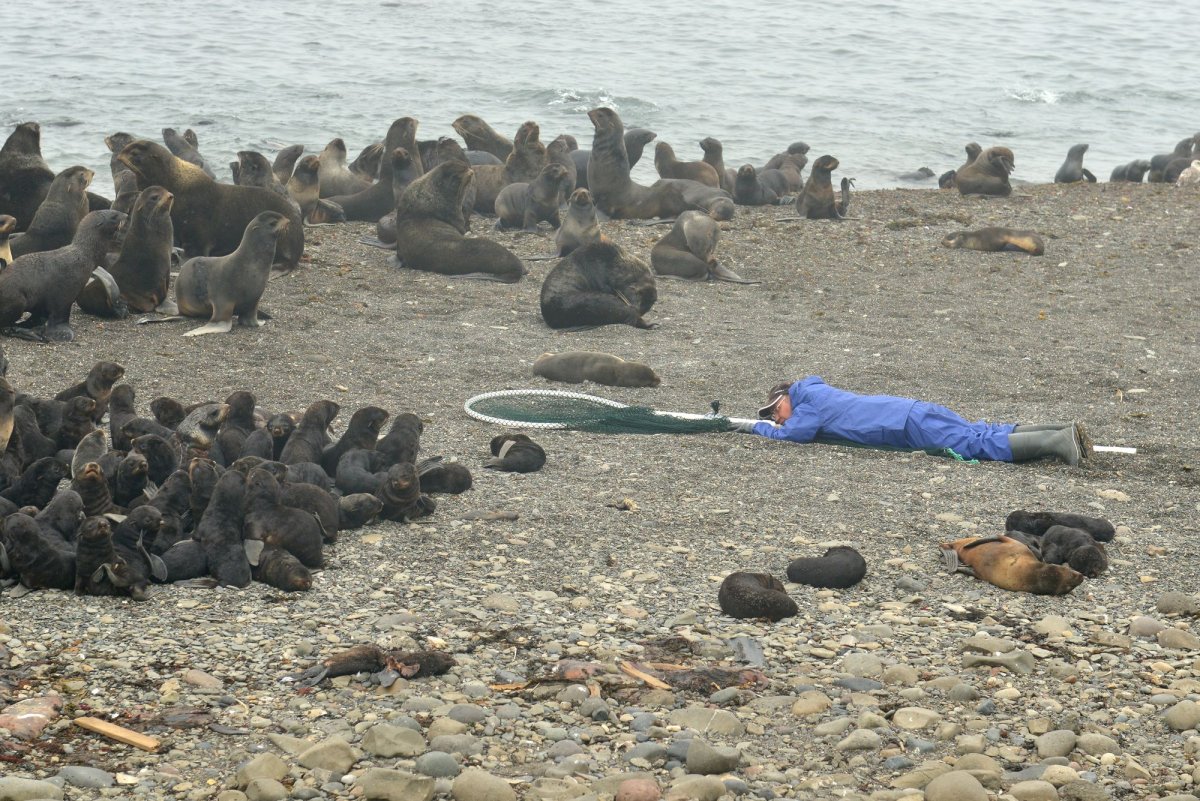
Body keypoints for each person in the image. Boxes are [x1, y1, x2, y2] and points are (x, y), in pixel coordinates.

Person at [732, 376, 1088, 465]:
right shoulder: (817, 393)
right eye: (770, 415)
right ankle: (1061, 431)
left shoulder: (807, 402)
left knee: (975, 444)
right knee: (979, 431)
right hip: (911, 410)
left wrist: (760, 427)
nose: (775, 416)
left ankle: (1057, 442)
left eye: (775, 409)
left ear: (785, 396)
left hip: (907, 424)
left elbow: (796, 435)